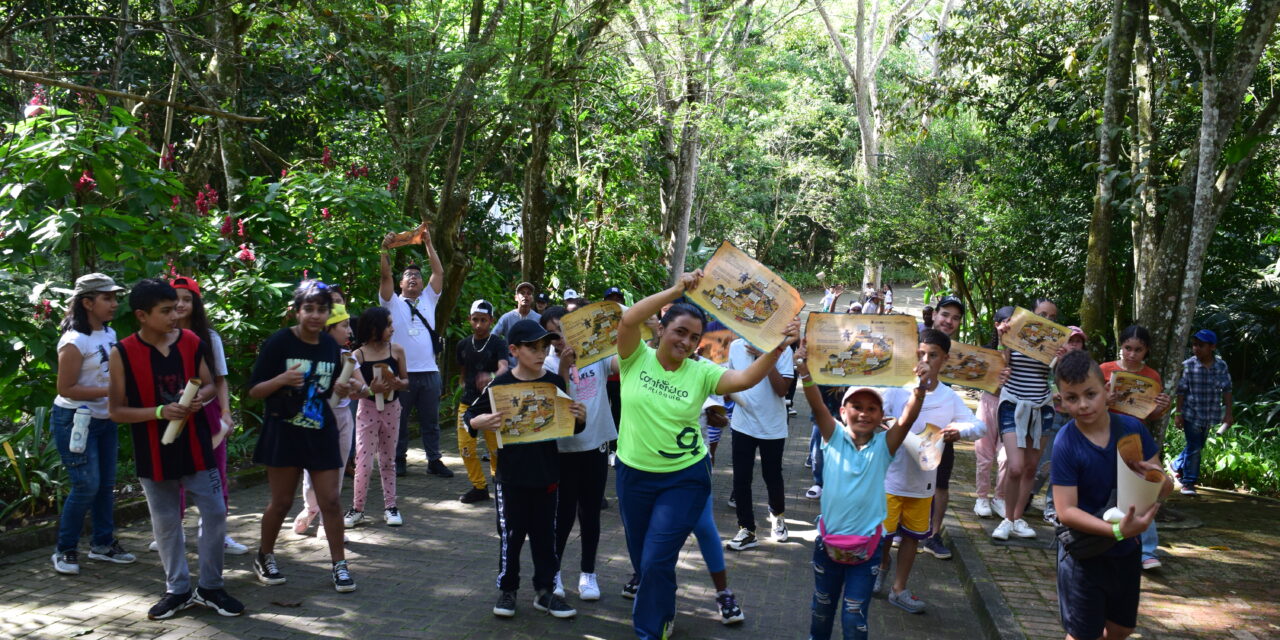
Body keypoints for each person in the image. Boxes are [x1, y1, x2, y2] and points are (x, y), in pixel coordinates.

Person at [613, 270, 800, 640]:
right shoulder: (635, 357)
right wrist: (678, 289)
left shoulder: (700, 372)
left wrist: (778, 348)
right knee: (643, 559)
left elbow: (743, 380)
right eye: (679, 331)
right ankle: (665, 607)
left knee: (655, 557)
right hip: (632, 474)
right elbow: (628, 318)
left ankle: (650, 630)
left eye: (694, 337)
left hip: (683, 477)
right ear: (662, 329)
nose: (686, 341)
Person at [107, 278, 243, 619]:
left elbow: (211, 383)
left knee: (214, 513)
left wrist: (201, 397)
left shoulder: (191, 340)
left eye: (177, 307)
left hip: (198, 446)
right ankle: (177, 590)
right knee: (166, 523)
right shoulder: (122, 352)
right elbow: (116, 411)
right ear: (142, 315)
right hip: (153, 451)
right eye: (166, 310)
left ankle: (211, 587)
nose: (175, 315)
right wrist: (159, 412)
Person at [796, 339, 926, 640]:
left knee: (854, 617)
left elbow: (906, 421)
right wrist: (803, 369)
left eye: (872, 409)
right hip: (827, 546)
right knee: (822, 608)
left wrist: (920, 387)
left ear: (881, 416)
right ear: (843, 411)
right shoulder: (833, 437)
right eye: (857, 407)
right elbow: (816, 403)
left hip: (867, 551)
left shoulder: (884, 446)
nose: (864, 414)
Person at [464, 319, 587, 620]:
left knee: (546, 536)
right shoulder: (500, 385)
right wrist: (479, 423)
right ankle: (508, 590)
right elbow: (470, 416)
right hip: (511, 477)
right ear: (514, 350)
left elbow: (570, 425)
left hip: (547, 475)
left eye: (544, 346)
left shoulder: (555, 383)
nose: (540, 352)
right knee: (511, 535)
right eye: (532, 347)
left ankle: (545, 592)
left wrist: (580, 417)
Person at [1051, 349, 1171, 640]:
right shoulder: (1065, 443)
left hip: (1125, 551)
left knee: (1121, 628)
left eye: (1090, 394)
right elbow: (1066, 511)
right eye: (1072, 398)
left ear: (1107, 391)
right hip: (1083, 553)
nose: (1083, 405)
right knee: (1083, 634)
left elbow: (1165, 489)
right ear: (1061, 401)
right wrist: (1117, 530)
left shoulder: (1131, 429)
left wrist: (1154, 479)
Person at [248, 280, 358, 593]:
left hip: (320, 432)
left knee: (332, 501)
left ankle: (339, 565)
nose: (315, 315)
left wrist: (342, 388)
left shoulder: (328, 346)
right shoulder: (280, 343)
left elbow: (333, 388)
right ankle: (265, 555)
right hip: (284, 431)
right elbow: (254, 391)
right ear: (297, 311)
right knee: (281, 502)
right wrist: (281, 379)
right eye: (308, 308)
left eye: (321, 310)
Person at [876, 329, 985, 613]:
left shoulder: (949, 397)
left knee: (913, 536)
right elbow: (874, 410)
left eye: (933, 355)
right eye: (921, 354)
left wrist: (956, 432)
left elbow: (978, 425)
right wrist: (881, 422)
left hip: (924, 480)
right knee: (883, 536)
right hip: (890, 476)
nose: (925, 360)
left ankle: (899, 589)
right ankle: (881, 568)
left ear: (945, 359)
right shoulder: (898, 386)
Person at [50, 273, 136, 576]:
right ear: (87, 302)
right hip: (75, 421)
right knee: (86, 485)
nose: (114, 303)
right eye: (107, 298)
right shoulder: (74, 341)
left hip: (104, 419)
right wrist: (112, 391)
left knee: (105, 486)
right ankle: (65, 549)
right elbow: (66, 388)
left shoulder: (109, 333)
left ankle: (102, 544)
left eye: (114, 297)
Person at [537, 307, 618, 602]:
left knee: (591, 513)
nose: (561, 340)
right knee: (562, 514)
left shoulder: (596, 355)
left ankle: (588, 574)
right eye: (553, 334)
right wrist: (562, 368)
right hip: (562, 451)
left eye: (564, 331)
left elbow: (623, 364)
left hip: (595, 446)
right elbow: (551, 406)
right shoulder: (544, 363)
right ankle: (554, 573)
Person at [170, 276, 249, 555]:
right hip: (173, 412)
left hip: (208, 413)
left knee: (216, 473)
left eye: (187, 299)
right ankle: (172, 532)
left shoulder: (209, 338)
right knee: (174, 473)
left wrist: (226, 414)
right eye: (175, 298)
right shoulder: (161, 336)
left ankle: (216, 534)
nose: (180, 304)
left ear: (196, 303)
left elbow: (220, 380)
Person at [378, 230, 453, 478]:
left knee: (430, 422)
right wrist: (385, 249)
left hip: (430, 372)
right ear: (401, 283)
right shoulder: (391, 302)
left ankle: (434, 460)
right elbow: (385, 274)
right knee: (398, 421)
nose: (413, 278)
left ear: (422, 283)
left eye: (417, 276)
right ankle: (399, 460)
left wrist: (429, 243)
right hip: (402, 374)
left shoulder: (429, 300)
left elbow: (439, 273)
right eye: (408, 276)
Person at [1098, 325, 1170, 570]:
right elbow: (1091, 402)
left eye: (1138, 350)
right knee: (1103, 488)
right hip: (1105, 433)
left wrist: (1162, 407)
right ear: (1121, 346)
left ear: (1146, 350)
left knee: (1142, 489)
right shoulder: (1105, 370)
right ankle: (1106, 539)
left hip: (1135, 438)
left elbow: (1151, 416)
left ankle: (1147, 550)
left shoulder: (1152, 376)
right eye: (1128, 348)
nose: (1131, 354)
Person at [991, 297, 1059, 541]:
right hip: (1012, 404)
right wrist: (1003, 339)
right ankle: (1006, 519)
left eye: (1052, 317)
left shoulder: (1054, 343)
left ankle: (1017, 518)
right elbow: (1000, 366)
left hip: (1043, 407)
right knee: (1016, 466)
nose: (1047, 320)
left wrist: (1061, 358)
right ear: (1032, 314)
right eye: (1043, 314)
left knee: (1031, 467)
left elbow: (1059, 379)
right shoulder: (1015, 334)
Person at [294, 304, 363, 537]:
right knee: (312, 469)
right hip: (316, 416)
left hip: (343, 419)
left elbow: (364, 388)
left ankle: (327, 520)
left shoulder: (348, 357)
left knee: (338, 469)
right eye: (344, 326)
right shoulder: (308, 354)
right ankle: (311, 507)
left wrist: (356, 387)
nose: (350, 331)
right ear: (328, 328)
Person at [724, 337, 795, 551]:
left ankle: (778, 517)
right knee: (741, 477)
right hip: (742, 423)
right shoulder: (735, 346)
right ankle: (746, 529)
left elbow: (782, 389)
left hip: (772, 426)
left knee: (772, 474)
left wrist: (766, 357)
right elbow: (731, 381)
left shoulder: (783, 350)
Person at [344, 307, 410, 527]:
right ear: (375, 328)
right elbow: (354, 391)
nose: (392, 329)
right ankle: (357, 508)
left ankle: (390, 507)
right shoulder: (358, 355)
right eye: (388, 325)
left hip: (392, 409)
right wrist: (369, 389)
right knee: (363, 462)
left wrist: (401, 384)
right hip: (368, 410)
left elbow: (406, 380)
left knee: (388, 460)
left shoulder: (397, 350)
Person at [918, 295, 965, 558]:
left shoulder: (959, 352)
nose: (949, 321)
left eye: (955, 317)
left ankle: (933, 535)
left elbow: (985, 374)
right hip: (909, 421)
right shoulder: (916, 339)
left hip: (940, 425)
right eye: (945, 314)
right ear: (935, 314)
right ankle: (903, 529)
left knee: (940, 481)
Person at [456, 300, 508, 504]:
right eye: (475, 320)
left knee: (496, 448)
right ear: (470, 319)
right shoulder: (462, 344)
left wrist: (492, 376)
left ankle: (499, 479)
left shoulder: (498, 343)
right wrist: (462, 386)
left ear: (491, 320)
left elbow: (504, 367)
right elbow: (462, 371)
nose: (479, 325)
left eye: (483, 320)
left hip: (492, 404)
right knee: (465, 448)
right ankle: (479, 486)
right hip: (467, 403)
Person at [1173, 329, 1233, 496]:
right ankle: (1189, 482)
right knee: (1195, 447)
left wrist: (1228, 413)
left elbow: (1227, 389)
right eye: (1194, 345)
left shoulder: (1221, 366)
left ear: (1212, 347)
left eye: (1201, 345)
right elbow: (1181, 391)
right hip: (1191, 413)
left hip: (1210, 413)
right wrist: (1178, 414)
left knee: (1198, 445)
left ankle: (1176, 465)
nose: (1196, 348)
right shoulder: (1188, 365)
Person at [974, 306, 1014, 521]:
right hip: (989, 402)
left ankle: (1000, 497)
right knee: (984, 454)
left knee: (1007, 455)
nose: (1009, 327)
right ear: (997, 324)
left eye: (1013, 323)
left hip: (1012, 405)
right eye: (1005, 322)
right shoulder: (987, 351)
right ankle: (981, 498)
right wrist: (1002, 344)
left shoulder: (1024, 354)